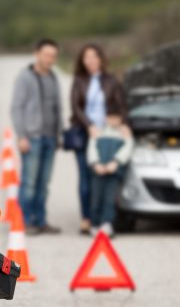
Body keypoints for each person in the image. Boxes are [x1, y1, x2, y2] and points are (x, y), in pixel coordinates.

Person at [70, 44, 126, 234]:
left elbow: (120, 104)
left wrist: (123, 125)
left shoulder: (111, 80)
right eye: (87, 57)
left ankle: (104, 219)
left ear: (101, 58)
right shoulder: (79, 80)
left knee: (104, 178)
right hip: (84, 133)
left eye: (94, 56)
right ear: (82, 61)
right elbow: (75, 107)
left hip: (106, 136)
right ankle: (87, 218)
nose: (91, 60)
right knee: (86, 178)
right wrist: (89, 126)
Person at [11, 38, 63, 235]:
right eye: (47, 54)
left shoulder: (53, 77)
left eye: (53, 56)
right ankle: (25, 221)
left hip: (50, 137)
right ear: (37, 54)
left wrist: (59, 134)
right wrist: (21, 136)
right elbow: (16, 108)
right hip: (32, 138)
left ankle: (41, 220)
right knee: (30, 182)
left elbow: (57, 108)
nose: (50, 59)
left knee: (44, 183)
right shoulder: (25, 77)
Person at [87, 106, 133, 238]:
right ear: (106, 118)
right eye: (110, 118)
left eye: (116, 118)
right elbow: (92, 149)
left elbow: (127, 148)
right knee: (96, 198)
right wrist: (95, 164)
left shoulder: (124, 133)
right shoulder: (98, 132)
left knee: (110, 199)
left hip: (113, 172)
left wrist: (116, 162)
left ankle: (106, 224)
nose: (113, 121)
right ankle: (95, 224)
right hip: (98, 171)